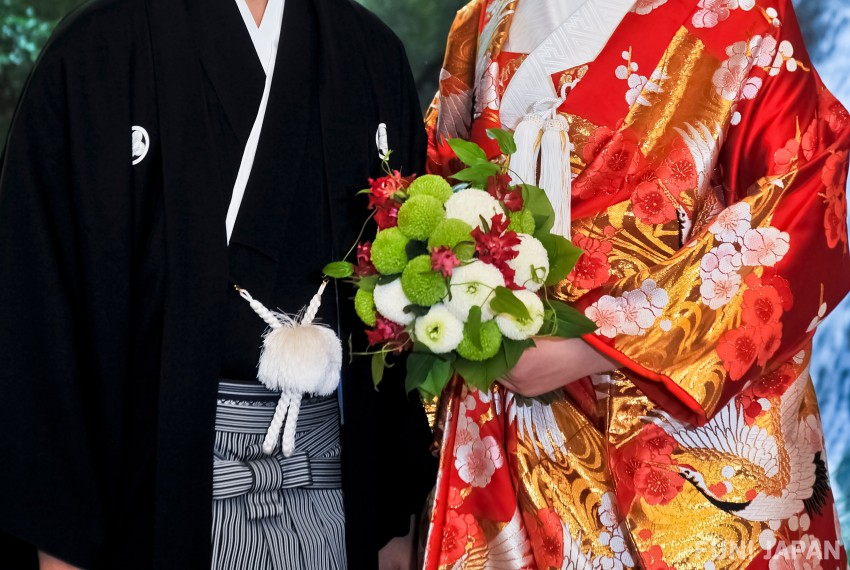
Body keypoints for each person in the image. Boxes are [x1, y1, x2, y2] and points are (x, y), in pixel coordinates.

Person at [0, 0, 436, 567]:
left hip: (332, 492)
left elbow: (395, 317)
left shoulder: (368, 50)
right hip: (151, 492)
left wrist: (391, 523)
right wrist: (58, 541)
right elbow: (39, 311)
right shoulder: (98, 49)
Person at [422, 0, 850, 568]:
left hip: (678, 438)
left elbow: (803, 193)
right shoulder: (481, 21)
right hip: (514, 421)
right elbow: (435, 199)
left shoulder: (745, 12)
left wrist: (593, 343)